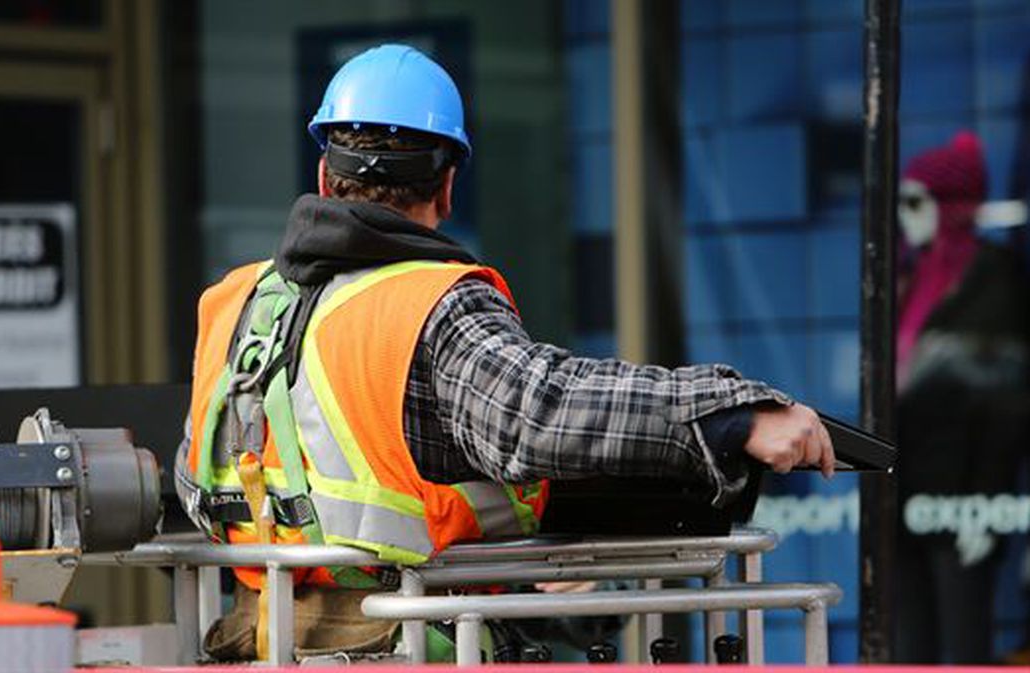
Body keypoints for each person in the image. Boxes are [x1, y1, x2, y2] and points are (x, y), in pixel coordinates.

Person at [174, 43, 835, 662]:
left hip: (257, 643)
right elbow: (537, 412)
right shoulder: (428, 304)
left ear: (323, 172)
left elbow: (195, 476)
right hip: (406, 645)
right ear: (447, 186)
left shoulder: (234, 303)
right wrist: (732, 413)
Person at [893, 132, 1030, 664]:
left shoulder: (992, 277)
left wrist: (984, 503)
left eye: (915, 202)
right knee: (910, 644)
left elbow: (1005, 404)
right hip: (905, 488)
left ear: (949, 205)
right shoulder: (907, 276)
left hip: (962, 493)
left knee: (964, 642)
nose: (906, 217)